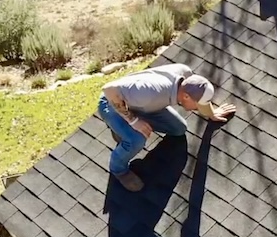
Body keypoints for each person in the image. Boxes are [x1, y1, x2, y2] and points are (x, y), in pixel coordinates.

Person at [99, 64, 237, 191]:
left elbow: (200, 97)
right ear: (186, 96)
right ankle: (118, 169)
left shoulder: (187, 76)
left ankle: (123, 129)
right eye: (198, 105)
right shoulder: (150, 92)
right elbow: (109, 89)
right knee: (137, 139)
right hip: (111, 105)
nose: (197, 109)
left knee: (179, 129)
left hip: (140, 105)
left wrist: (211, 113)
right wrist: (133, 120)